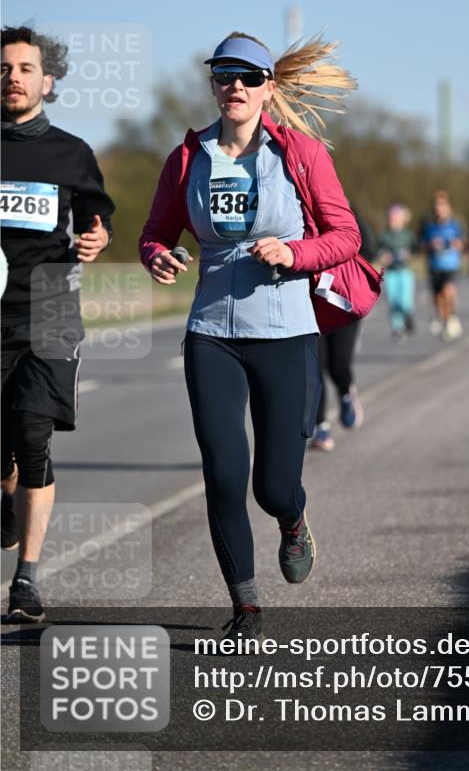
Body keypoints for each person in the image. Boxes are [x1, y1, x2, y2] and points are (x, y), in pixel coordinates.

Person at [140, 31, 360, 643]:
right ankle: (246, 609)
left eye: (248, 77)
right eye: (223, 75)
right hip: (211, 334)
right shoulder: (187, 157)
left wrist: (294, 252)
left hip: (286, 333)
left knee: (273, 487)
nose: (235, 86)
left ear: (268, 87)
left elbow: (346, 236)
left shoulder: (302, 154)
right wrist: (157, 255)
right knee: (223, 473)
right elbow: (155, 232)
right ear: (213, 84)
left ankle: (293, 520)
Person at [1, 25, 114, 623]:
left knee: (32, 433)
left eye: (25, 68)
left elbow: (97, 218)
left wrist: (98, 237)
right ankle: (5, 488)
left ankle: (26, 580)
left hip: (48, 308)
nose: (13, 77)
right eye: (4, 68)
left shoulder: (71, 153)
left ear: (48, 81)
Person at [310, 207, 376, 452]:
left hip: (343, 300)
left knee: (338, 364)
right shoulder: (296, 210)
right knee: (314, 368)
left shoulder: (346, 211)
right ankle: (321, 426)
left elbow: (369, 250)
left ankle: (346, 393)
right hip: (311, 304)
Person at [420, 191, 465, 340]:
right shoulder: (429, 226)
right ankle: (447, 321)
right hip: (435, 266)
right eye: (437, 205)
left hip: (451, 265)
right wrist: (431, 245)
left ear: (448, 207)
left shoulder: (455, 225)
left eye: (443, 204)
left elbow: (464, 242)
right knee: (439, 298)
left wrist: (458, 244)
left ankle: (452, 315)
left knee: (448, 291)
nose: (440, 208)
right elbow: (422, 245)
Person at [377, 203, 417, 341]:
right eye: (391, 218)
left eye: (396, 218)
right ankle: (397, 328)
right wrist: (383, 256)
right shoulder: (384, 235)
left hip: (405, 271)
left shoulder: (408, 235)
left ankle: (408, 316)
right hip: (391, 272)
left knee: (404, 302)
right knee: (393, 301)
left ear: (403, 219)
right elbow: (378, 251)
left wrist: (408, 255)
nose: (393, 220)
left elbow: (416, 250)